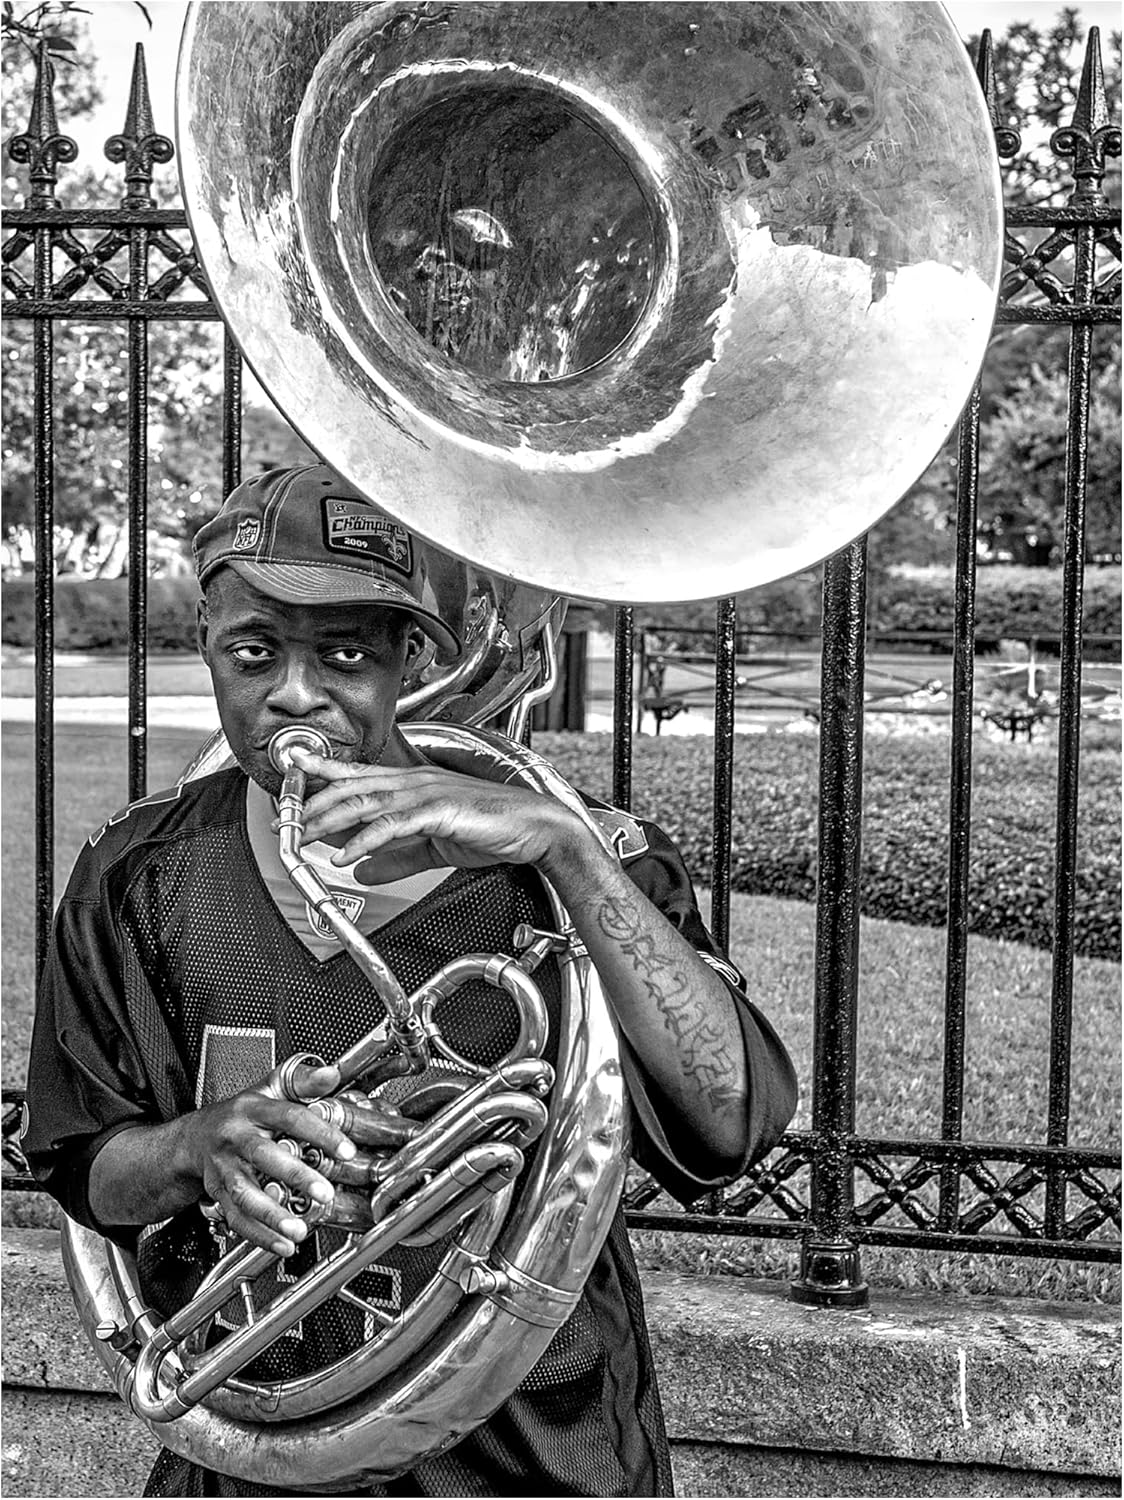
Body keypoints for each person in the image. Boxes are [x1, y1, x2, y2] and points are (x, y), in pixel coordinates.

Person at [23, 463, 797, 1499]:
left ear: (406, 657)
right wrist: (202, 1148)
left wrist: (564, 852)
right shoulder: (135, 873)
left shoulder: (592, 854)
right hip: (249, 1465)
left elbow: (729, 1121)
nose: (294, 693)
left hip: (539, 1461)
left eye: (344, 651)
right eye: (254, 652)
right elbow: (85, 1167)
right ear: (205, 646)